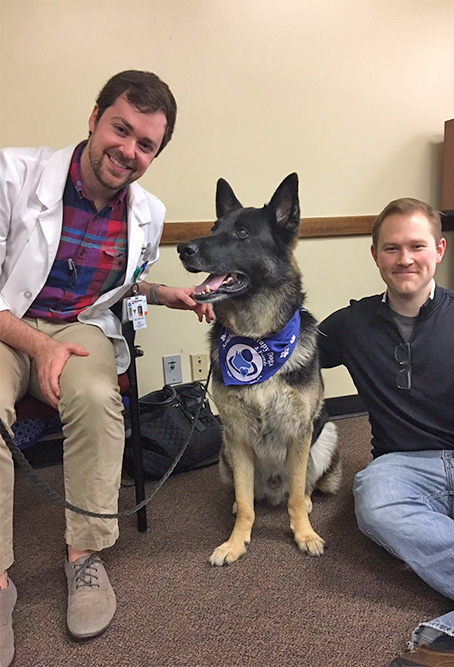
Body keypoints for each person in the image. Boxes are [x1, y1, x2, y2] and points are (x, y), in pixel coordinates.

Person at [0, 70, 212, 665]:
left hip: (79, 327)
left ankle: (85, 558)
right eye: (121, 130)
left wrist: (167, 293)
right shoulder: (11, 174)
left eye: (146, 145)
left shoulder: (148, 211)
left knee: (98, 400)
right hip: (7, 322)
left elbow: (126, 286)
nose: (129, 151)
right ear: (94, 118)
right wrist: (38, 348)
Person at [318, 198, 454, 667]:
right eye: (392, 248)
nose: (405, 259)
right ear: (375, 255)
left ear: (438, 250)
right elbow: (285, 354)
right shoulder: (349, 324)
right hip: (402, 469)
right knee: (373, 500)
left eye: (417, 246)